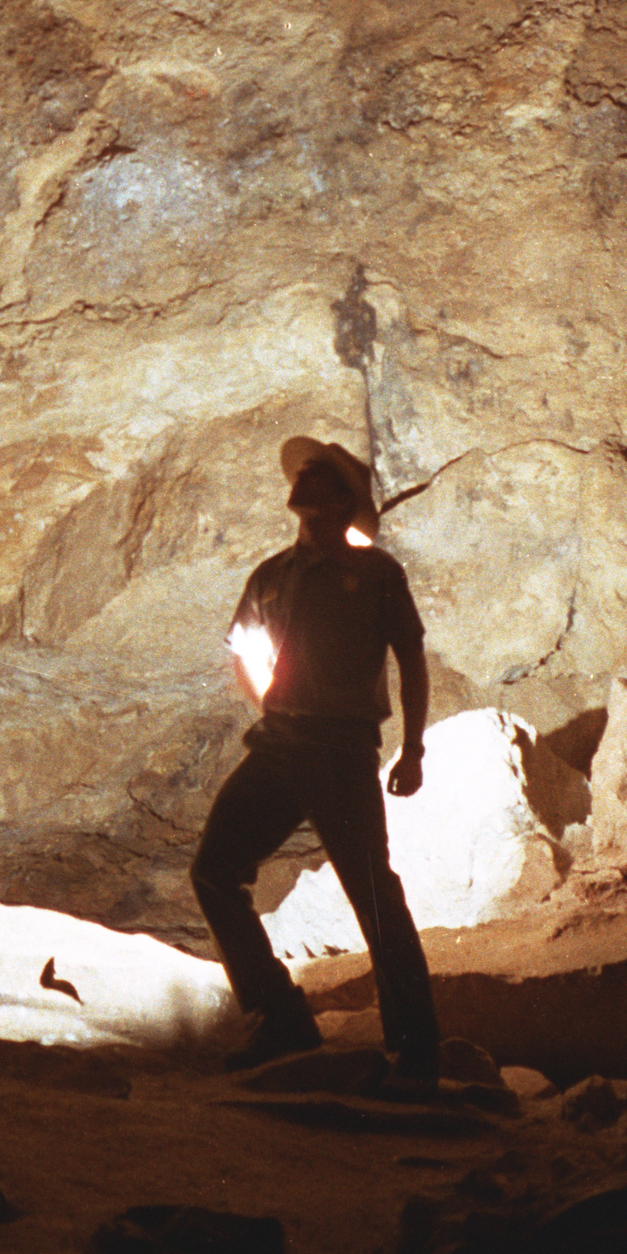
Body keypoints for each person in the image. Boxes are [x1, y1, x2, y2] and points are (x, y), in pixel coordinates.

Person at [191, 435, 442, 1093]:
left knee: (373, 894)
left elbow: (411, 659)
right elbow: (241, 644)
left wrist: (414, 747)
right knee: (215, 871)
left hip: (339, 748)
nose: (302, 477)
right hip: (282, 744)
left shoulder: (378, 574)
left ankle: (417, 1053)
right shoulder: (272, 574)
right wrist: (267, 698)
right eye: (301, 471)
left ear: (342, 498)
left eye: (317, 473)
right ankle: (280, 1018)